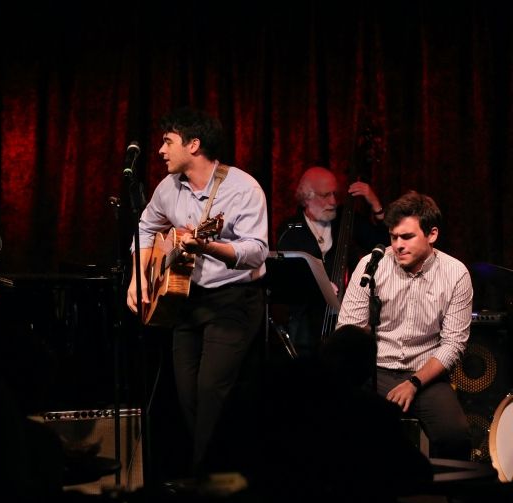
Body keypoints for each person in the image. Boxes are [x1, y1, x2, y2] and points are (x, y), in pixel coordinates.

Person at [126, 107, 269, 475]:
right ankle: (213, 470)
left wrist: (208, 247)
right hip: (185, 301)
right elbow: (145, 227)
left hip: (233, 301)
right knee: (185, 393)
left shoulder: (243, 188)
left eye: (167, 141)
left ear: (193, 145)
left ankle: (205, 482)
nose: (160, 150)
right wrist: (138, 278)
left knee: (210, 391)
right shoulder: (167, 188)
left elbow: (255, 251)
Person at [336, 190, 472, 460]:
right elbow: (348, 330)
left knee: (455, 435)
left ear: (431, 235)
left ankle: (447, 500)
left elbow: (453, 344)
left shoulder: (456, 274)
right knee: (343, 429)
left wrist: (414, 382)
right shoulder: (371, 266)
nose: (398, 245)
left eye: (407, 237)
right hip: (376, 370)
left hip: (425, 374)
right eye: (393, 237)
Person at [276, 166, 389, 358]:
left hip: (346, 313)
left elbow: (384, 243)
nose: (333, 201)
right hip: (306, 319)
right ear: (307, 197)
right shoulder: (290, 229)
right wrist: (316, 284)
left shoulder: (346, 219)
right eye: (325, 195)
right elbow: (286, 276)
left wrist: (375, 204)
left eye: (335, 194)